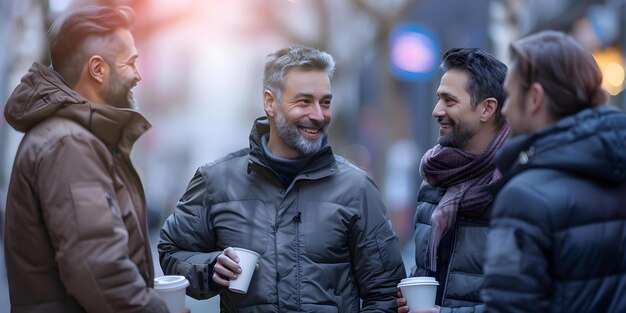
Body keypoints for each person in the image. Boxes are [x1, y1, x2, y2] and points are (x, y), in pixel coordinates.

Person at [158, 45, 406, 312]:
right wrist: (209, 269)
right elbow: (171, 251)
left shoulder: (358, 189)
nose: (319, 115)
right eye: (304, 101)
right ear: (270, 102)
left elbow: (386, 294)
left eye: (325, 102)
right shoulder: (215, 181)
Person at [3, 6, 169, 312]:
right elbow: (99, 270)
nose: (139, 74)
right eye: (131, 63)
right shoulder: (70, 144)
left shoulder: (72, 137)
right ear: (98, 69)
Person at [482, 30, 626, 312]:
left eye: (509, 96)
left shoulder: (523, 197)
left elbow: (508, 306)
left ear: (535, 97)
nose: (505, 110)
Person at [397, 48, 509, 313]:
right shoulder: (435, 180)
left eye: (449, 101)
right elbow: (427, 271)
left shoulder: (517, 186)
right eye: (439, 99)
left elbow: (530, 302)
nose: (437, 111)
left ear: (487, 109)